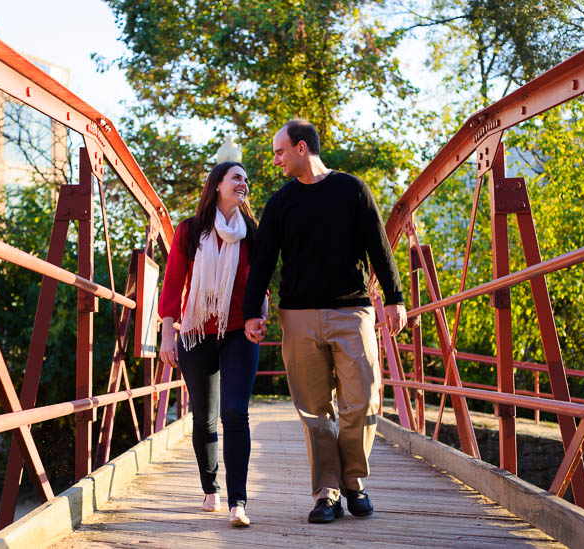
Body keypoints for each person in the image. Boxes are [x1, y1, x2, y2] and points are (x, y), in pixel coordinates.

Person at [243, 120, 407, 524]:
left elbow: (379, 247)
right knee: (315, 411)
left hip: (352, 311)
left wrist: (395, 298)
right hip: (298, 316)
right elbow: (262, 262)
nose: (276, 159)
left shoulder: (352, 190)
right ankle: (328, 493)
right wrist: (251, 312)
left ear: (302, 148)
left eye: (280, 151)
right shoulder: (281, 203)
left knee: (364, 399)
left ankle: (354, 480)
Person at [158, 161, 266, 528]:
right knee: (204, 417)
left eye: (246, 180)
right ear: (217, 184)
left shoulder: (251, 231)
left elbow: (260, 281)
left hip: (238, 331)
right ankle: (211, 489)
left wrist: (259, 315)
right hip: (195, 332)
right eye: (236, 177)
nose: (244, 183)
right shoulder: (191, 230)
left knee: (235, 412)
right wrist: (167, 333)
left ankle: (238, 501)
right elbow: (173, 281)